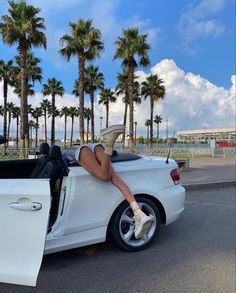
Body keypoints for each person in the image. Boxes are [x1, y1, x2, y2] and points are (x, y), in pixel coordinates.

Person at [74, 124, 152, 239]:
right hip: (98, 147)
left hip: (82, 151)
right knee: (115, 179)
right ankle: (138, 212)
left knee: (105, 177)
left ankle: (109, 143)